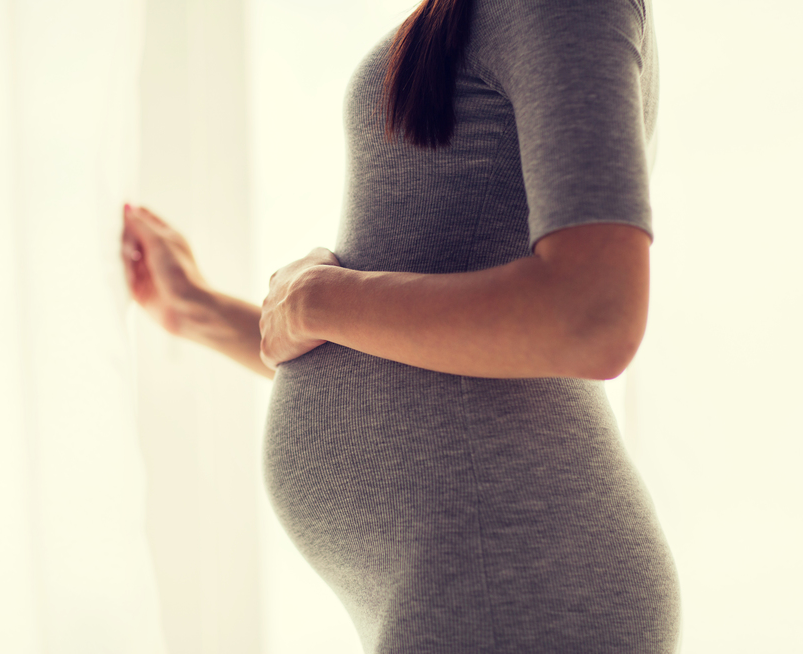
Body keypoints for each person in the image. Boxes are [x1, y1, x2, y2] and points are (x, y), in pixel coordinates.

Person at [121, 0, 681, 650]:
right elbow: (417, 354)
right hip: (476, 579)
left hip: (517, 578)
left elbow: (594, 315)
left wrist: (323, 299)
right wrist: (200, 309)